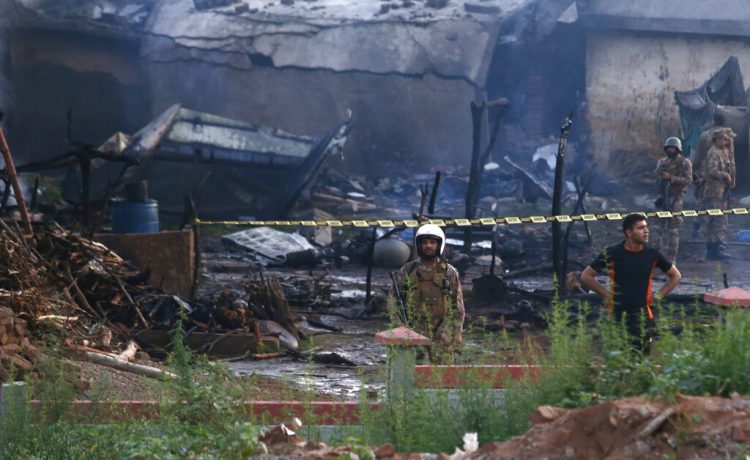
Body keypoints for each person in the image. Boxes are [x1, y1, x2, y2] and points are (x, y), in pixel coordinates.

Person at [580, 213, 682, 352]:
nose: (646, 231)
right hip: (618, 316)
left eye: (646, 227)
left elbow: (676, 276)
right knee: (620, 359)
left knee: (642, 359)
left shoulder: (652, 254)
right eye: (641, 228)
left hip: (643, 317)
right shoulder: (612, 253)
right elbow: (586, 276)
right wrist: (606, 294)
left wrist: (658, 296)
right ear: (629, 232)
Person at [394, 224, 464, 364]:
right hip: (413, 329)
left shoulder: (449, 272)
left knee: (443, 375)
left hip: (441, 329)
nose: (428, 246)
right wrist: (400, 328)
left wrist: (456, 332)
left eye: (432, 242)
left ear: (439, 245)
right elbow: (394, 302)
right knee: (412, 371)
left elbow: (457, 305)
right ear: (419, 245)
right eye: (424, 242)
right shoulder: (407, 270)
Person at [692, 113, 735, 238]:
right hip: (723, 174)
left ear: (713, 121)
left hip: (707, 173)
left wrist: (694, 171)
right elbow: (731, 159)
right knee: (721, 204)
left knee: (702, 199)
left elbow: (699, 156)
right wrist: (732, 178)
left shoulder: (705, 136)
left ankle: (698, 227)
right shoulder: (729, 137)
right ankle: (715, 233)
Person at [654, 137, 692, 263]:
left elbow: (688, 180)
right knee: (656, 229)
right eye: (668, 148)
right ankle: (655, 257)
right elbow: (656, 178)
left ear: (677, 149)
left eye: (673, 148)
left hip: (675, 200)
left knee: (673, 231)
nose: (670, 150)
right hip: (662, 198)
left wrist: (671, 178)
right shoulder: (662, 162)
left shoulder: (684, 162)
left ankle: (671, 261)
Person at [702, 127, 736, 260]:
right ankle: (716, 250)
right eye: (726, 139)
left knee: (718, 219)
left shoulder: (724, 151)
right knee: (718, 220)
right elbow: (711, 171)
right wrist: (725, 176)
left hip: (722, 191)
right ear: (719, 139)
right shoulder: (714, 152)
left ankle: (715, 249)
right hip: (715, 192)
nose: (728, 142)